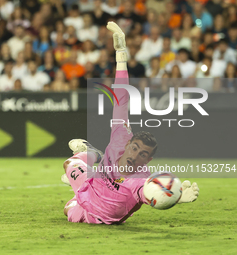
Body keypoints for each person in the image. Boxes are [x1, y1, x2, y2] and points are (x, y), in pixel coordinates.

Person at [61, 22, 199, 224]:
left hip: (97, 215)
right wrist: (121, 55)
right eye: (135, 148)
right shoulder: (120, 136)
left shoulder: (141, 180)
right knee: (69, 163)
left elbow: (153, 192)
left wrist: (175, 198)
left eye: (143, 154)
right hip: (90, 190)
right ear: (128, 144)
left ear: (148, 161)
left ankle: (84, 174)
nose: (135, 155)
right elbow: (122, 96)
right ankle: (93, 154)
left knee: (68, 208)